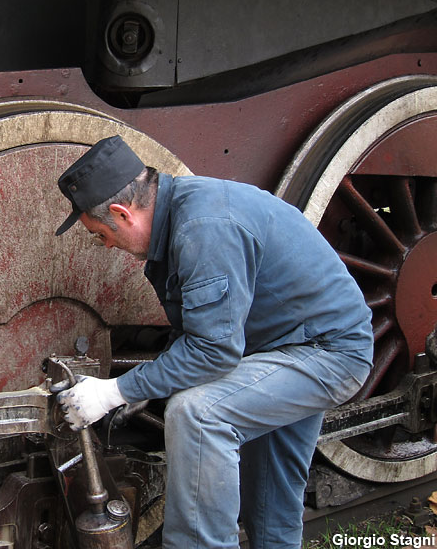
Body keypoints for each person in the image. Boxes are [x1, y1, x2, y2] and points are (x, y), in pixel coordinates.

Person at [53, 135, 373, 549]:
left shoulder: (204, 228)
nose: (107, 245)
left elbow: (213, 351)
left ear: (121, 212)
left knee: (198, 413)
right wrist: (148, 386)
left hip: (326, 353)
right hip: (278, 349)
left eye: (101, 234)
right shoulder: (183, 216)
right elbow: (202, 331)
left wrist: (116, 390)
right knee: (270, 502)